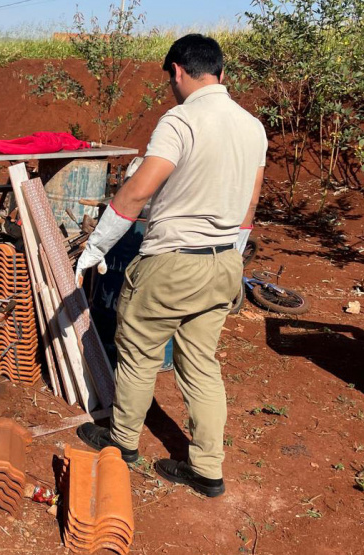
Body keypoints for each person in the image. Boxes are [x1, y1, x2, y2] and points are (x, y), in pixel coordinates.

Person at [74, 34, 265, 498]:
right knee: (201, 364)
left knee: (138, 351)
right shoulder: (251, 126)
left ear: (178, 71)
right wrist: (232, 257)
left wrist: (96, 247)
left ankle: (122, 443)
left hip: (173, 260)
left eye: (170, 79)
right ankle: (207, 470)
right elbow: (250, 204)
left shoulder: (180, 121)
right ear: (220, 73)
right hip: (223, 263)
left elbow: (138, 191)